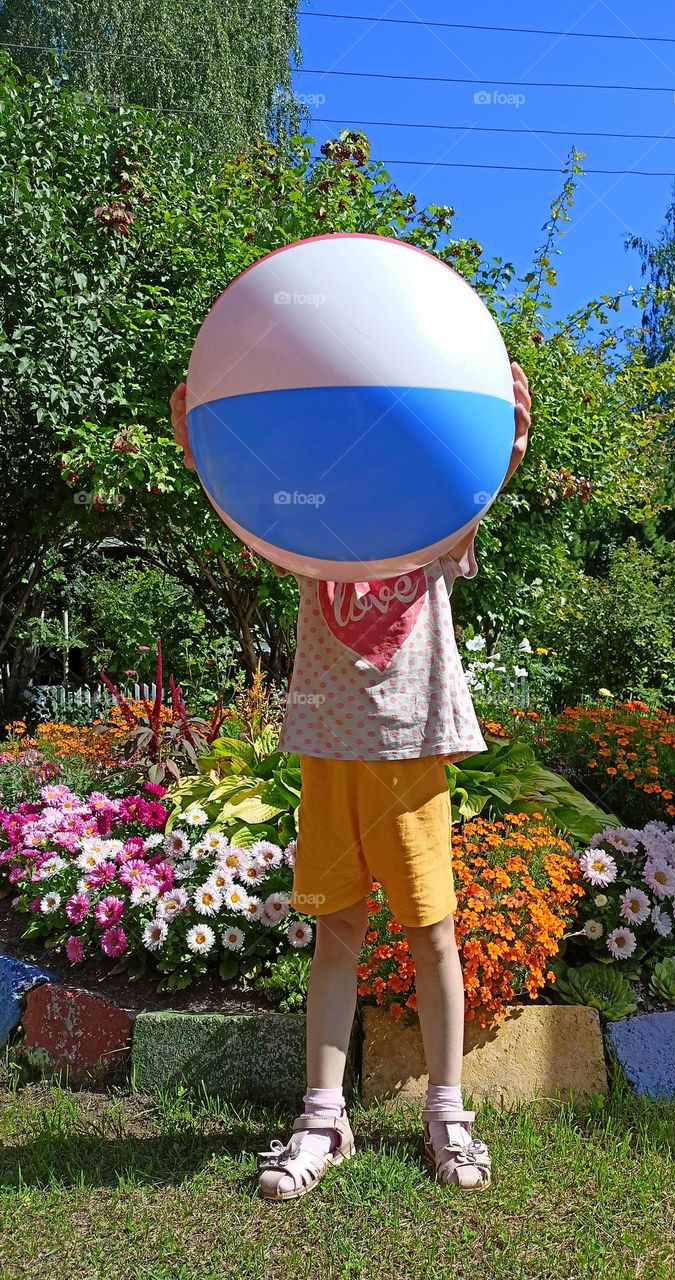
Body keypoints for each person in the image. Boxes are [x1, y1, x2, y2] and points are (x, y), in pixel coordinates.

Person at [169, 361, 531, 1200]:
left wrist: (506, 438)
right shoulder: (307, 524)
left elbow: (478, 482)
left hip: (411, 753)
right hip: (328, 750)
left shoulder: (437, 521)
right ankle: (324, 1118)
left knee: (431, 931)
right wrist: (204, 442)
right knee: (336, 932)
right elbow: (244, 501)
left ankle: (448, 1114)